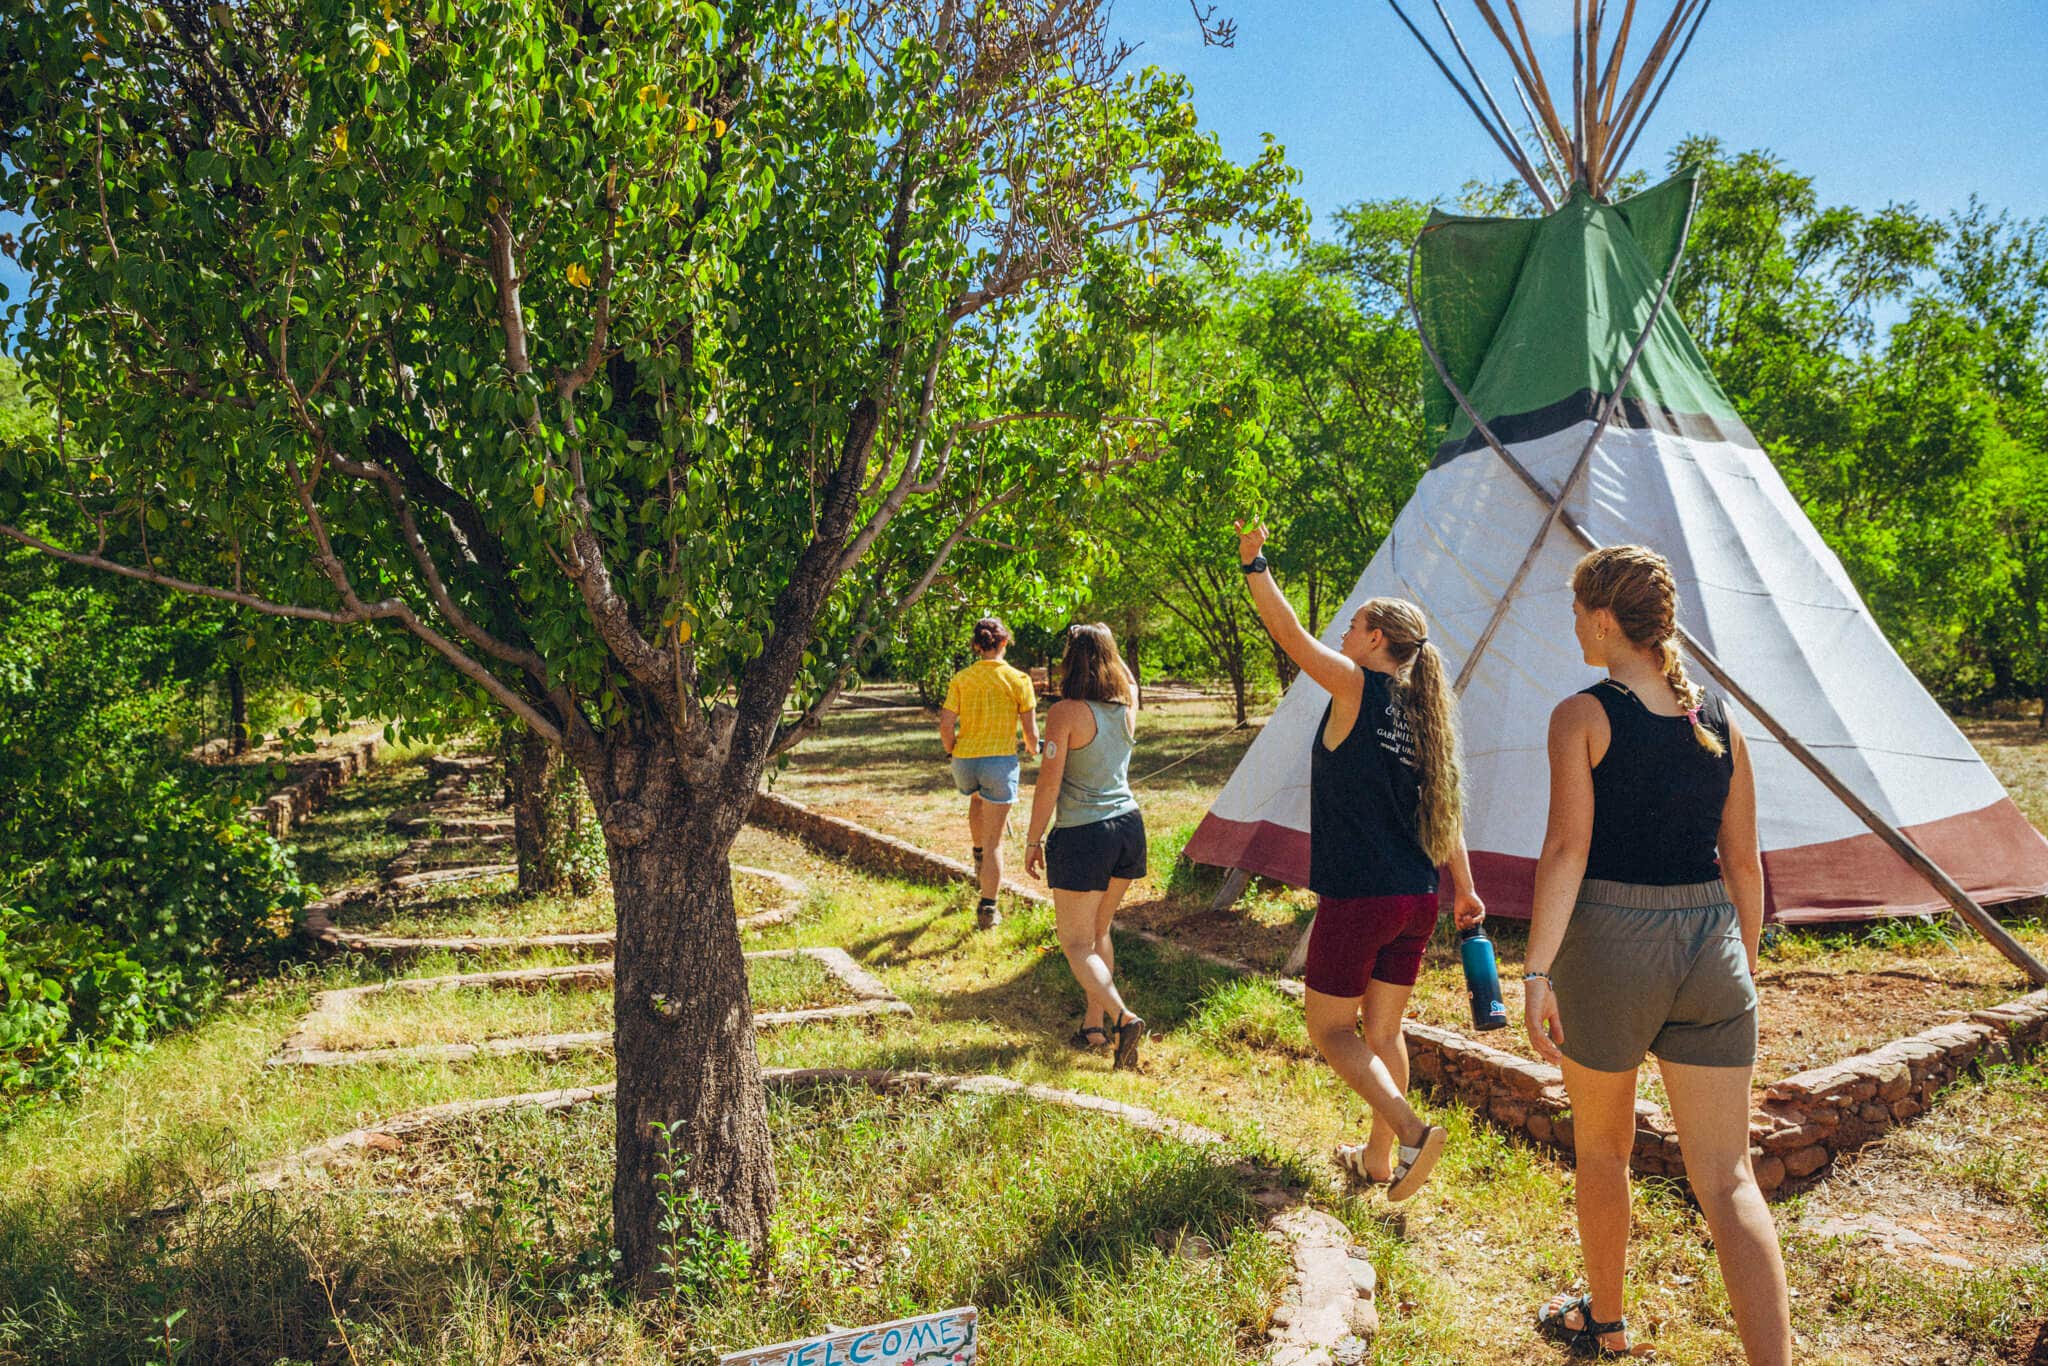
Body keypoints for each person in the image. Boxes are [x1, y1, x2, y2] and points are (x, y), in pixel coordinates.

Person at [1522, 545, 1790, 1363]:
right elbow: (1744, 863)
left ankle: (1604, 1323)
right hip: (1712, 945)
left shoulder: (1582, 715)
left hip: (1609, 943)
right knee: (1730, 1179)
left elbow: (1567, 849)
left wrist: (1535, 973)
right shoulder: (1719, 720)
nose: (1573, 625)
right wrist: (1738, 962)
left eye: (1576, 612)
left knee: (1603, 1152)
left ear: (1605, 619)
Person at [1237, 520, 1484, 1203]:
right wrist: (1464, 887)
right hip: (1416, 895)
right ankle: (1379, 1162)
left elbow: (1289, 637)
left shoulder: (1357, 684)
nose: (1344, 635)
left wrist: (1256, 567)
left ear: (1377, 640)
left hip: (1361, 893)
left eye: (1353, 626)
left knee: (1329, 1029)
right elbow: (1447, 808)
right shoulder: (1422, 712)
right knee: (1383, 1031)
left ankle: (1409, 1131)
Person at [1023, 622, 1148, 1069]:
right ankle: (1093, 1027)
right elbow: (1128, 679)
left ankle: (1122, 1018)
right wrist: (1105, 638)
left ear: (1068, 662)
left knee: (1075, 942)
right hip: (1128, 828)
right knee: (1098, 932)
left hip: (1083, 835)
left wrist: (1034, 839)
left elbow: (1048, 785)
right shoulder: (1127, 705)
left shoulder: (1065, 712)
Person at [940, 616, 1039, 930]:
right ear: (1004, 643)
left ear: (976, 645)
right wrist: (1034, 750)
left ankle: (979, 855)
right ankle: (988, 908)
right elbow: (1031, 734)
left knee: (976, 800)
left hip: (965, 761)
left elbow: (945, 726)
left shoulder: (962, 678)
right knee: (996, 839)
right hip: (999, 762)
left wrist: (951, 750)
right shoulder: (1018, 679)